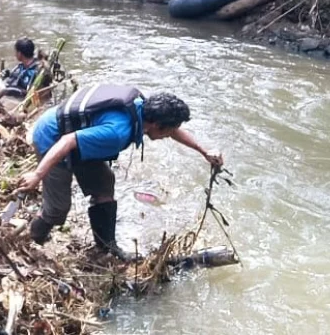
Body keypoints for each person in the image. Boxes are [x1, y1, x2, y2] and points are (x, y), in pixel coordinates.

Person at [18, 83, 223, 257]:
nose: (170, 134)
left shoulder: (143, 109)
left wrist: (203, 152)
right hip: (52, 138)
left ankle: (106, 248)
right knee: (58, 210)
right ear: (157, 125)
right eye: (169, 130)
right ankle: (32, 243)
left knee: (105, 185)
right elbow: (67, 141)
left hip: (80, 134)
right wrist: (37, 175)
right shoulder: (117, 133)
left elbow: (175, 131)